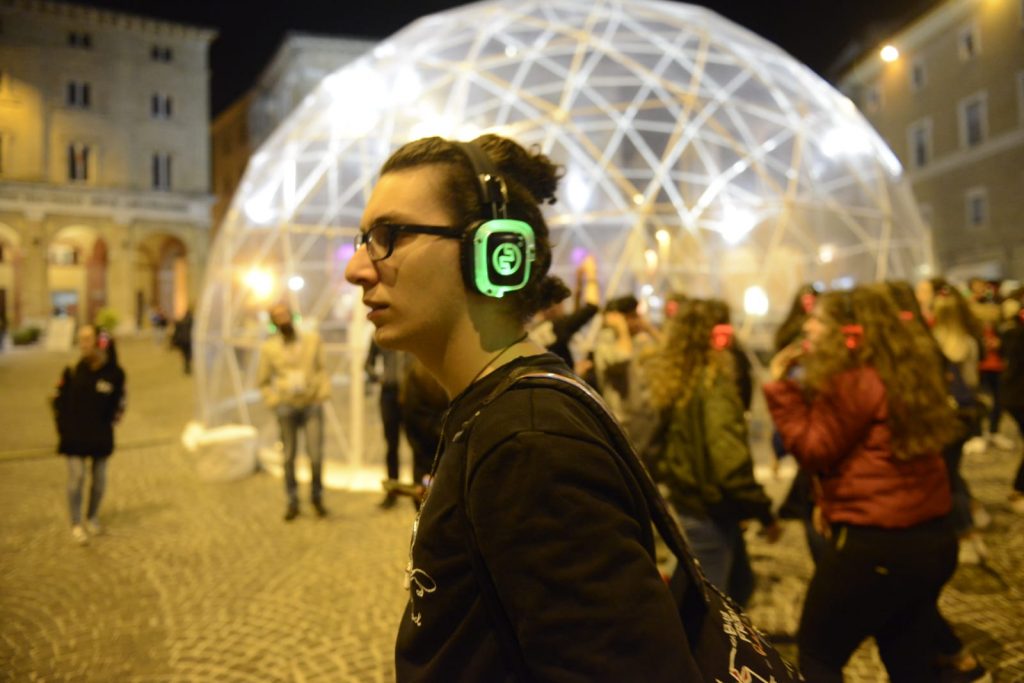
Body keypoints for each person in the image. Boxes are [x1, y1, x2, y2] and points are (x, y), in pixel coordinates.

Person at [344, 135, 697, 680]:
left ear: (494, 250)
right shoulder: (496, 415)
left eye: (390, 236)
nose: (357, 269)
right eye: (364, 238)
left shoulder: (530, 444)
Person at [765, 287, 960, 682]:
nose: (809, 325)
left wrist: (781, 387)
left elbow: (814, 449)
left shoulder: (854, 379)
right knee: (906, 655)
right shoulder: (901, 369)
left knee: (818, 654)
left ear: (849, 330)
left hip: (877, 545)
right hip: (931, 537)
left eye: (819, 319)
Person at [641, 298, 780, 606]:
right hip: (708, 508)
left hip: (693, 501)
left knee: (738, 584)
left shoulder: (679, 377)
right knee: (711, 609)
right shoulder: (713, 383)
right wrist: (763, 512)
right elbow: (729, 462)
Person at [52, 324, 126, 545]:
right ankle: (76, 523)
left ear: (99, 343)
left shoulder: (115, 374)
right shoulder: (74, 371)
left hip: (100, 436)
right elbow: (60, 401)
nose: (82, 344)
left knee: (99, 481)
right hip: (74, 437)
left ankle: (92, 517)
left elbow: (120, 404)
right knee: (77, 478)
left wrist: (111, 421)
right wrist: (63, 427)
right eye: (80, 339)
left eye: (87, 339)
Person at [257, 303, 330, 521]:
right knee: (288, 457)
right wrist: (274, 401)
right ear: (273, 321)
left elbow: (322, 368)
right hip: (286, 406)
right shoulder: (269, 348)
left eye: (284, 314)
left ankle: (317, 498)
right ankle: (292, 501)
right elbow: (263, 381)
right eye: (277, 316)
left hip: (311, 404)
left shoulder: (312, 340)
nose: (282, 319)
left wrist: (321, 395)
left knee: (315, 455)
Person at [527, 254, 600, 367]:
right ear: (552, 305)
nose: (564, 307)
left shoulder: (537, 329)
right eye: (562, 302)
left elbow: (574, 316)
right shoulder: (555, 327)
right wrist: (591, 273)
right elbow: (592, 307)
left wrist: (579, 281)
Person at [366, 340, 408, 509]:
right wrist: (379, 378)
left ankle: (421, 492)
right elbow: (368, 364)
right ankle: (393, 492)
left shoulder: (410, 329)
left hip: (411, 391)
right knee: (391, 445)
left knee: (418, 443)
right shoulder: (381, 335)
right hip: (389, 392)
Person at [171, 308, 193, 375]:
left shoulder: (181, 321)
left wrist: (174, 340)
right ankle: (187, 366)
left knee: (185, 354)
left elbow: (176, 331)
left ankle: (186, 366)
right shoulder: (192, 321)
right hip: (189, 340)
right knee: (188, 354)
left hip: (182, 341)